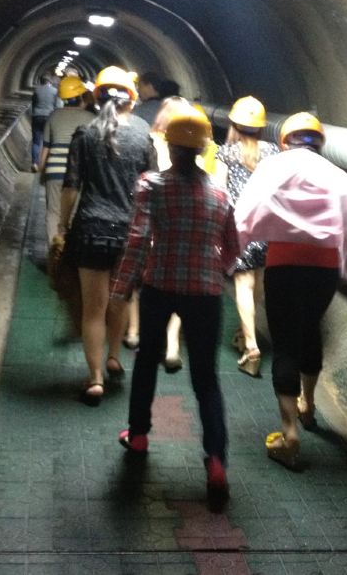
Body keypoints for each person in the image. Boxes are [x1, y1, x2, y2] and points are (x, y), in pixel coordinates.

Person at [112, 104, 239, 511]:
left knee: (146, 362)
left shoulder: (151, 186)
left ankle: (139, 435)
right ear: (202, 150)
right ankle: (216, 461)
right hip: (205, 293)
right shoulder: (219, 193)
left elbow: (138, 239)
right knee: (206, 379)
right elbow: (233, 247)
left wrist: (122, 286)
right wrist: (216, 270)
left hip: (160, 285)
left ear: (169, 147)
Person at [235, 112, 347, 469]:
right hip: (324, 269)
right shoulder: (335, 174)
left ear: (285, 141)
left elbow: (246, 210)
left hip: (283, 264)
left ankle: (289, 433)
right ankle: (308, 405)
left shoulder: (273, 168)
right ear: (319, 142)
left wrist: (232, 252)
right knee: (310, 330)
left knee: (285, 344)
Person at [59, 66, 156, 406]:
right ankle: (114, 356)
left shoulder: (85, 134)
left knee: (93, 309)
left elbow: (71, 186)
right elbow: (153, 184)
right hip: (131, 232)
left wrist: (63, 226)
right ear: (132, 100)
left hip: (91, 229)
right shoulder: (143, 135)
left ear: (97, 98)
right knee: (122, 300)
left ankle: (96, 378)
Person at [122, 96, 193, 374]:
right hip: (180, 225)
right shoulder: (192, 149)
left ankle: (134, 331)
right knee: (178, 285)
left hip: (149, 218)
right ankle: (172, 345)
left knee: (139, 278)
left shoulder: (148, 140)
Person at [214, 96, 280, 377]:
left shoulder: (226, 153)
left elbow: (219, 192)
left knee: (243, 285)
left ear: (235, 125)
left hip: (238, 227)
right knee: (258, 283)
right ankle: (244, 331)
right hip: (267, 226)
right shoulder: (274, 152)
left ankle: (252, 347)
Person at [37, 75, 95, 247]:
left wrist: (42, 171)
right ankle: (70, 252)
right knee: (75, 213)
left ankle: (54, 252)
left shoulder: (54, 116)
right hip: (80, 173)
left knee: (53, 212)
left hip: (54, 171)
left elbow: (46, 148)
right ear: (82, 97)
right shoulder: (91, 118)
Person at [30, 74, 59, 171]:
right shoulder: (55, 91)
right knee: (49, 141)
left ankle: (35, 163)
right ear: (49, 82)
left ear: (41, 81)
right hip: (49, 117)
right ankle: (46, 163)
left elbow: (33, 104)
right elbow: (56, 106)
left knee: (36, 142)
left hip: (37, 116)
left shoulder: (36, 90)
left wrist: (33, 114)